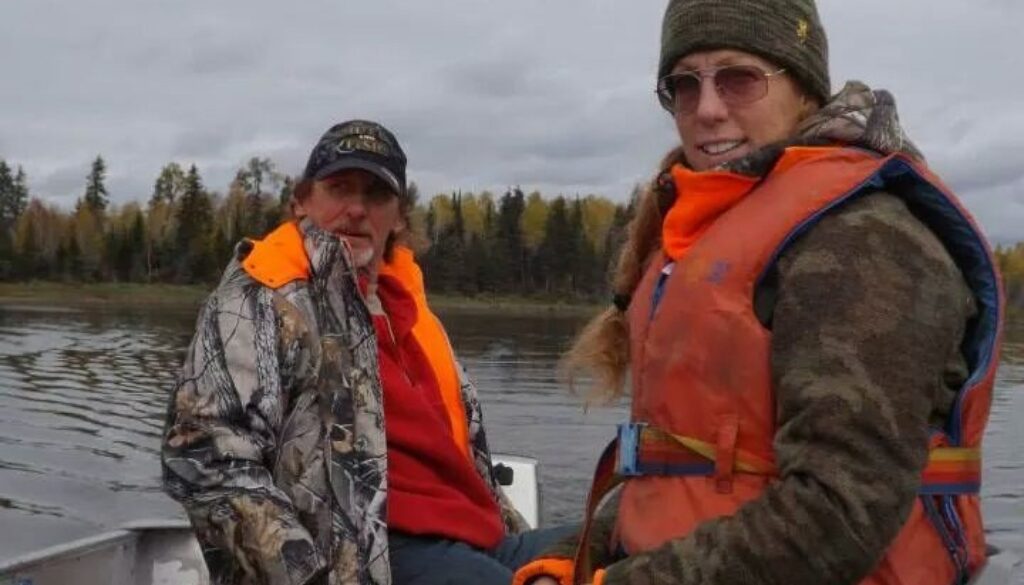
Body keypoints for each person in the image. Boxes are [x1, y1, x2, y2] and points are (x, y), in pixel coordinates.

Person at [512, 1, 1005, 584]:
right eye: (684, 85)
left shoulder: (862, 243)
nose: (707, 109)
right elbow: (674, 472)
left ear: (803, 89)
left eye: (739, 78)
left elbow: (839, 516)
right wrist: (575, 559)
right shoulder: (707, 232)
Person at [162, 119, 572, 585]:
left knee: (629, 539)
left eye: (376, 195)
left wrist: (516, 542)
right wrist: (309, 576)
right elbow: (204, 456)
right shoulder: (260, 301)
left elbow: (466, 463)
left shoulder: (415, 313)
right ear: (302, 201)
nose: (356, 209)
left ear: (398, 217)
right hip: (368, 558)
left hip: (484, 543)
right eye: (339, 188)